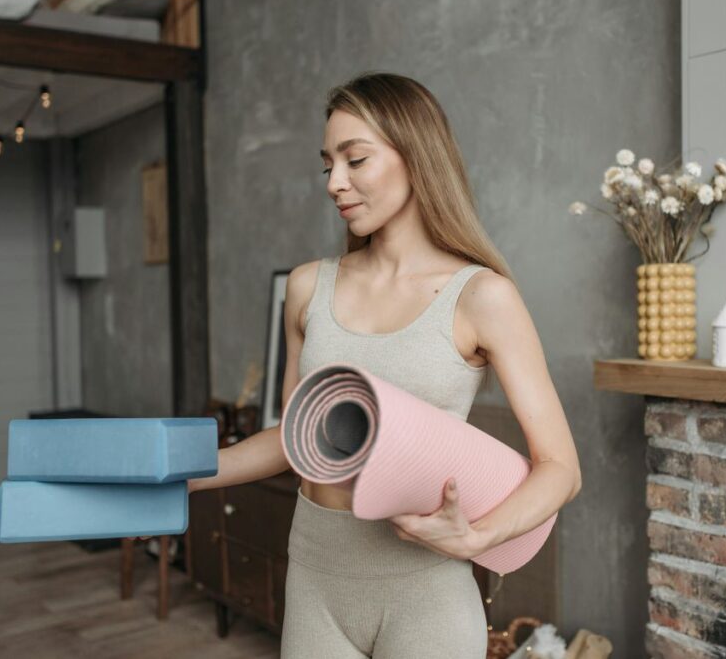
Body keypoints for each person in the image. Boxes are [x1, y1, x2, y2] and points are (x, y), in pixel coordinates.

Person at [187, 72, 581, 659]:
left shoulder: (482, 297)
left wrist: (477, 536)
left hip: (426, 591)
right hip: (316, 575)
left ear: (415, 156)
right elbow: (296, 439)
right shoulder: (307, 288)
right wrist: (185, 475)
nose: (334, 183)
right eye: (328, 165)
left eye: (356, 160)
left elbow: (561, 469)